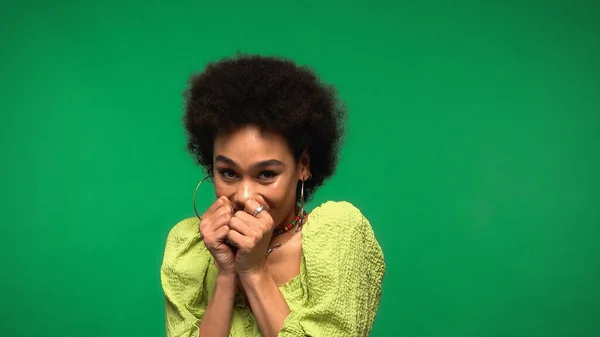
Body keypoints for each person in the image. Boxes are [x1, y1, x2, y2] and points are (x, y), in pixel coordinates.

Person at [160, 54, 385, 337]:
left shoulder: (338, 234)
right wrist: (227, 275)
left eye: (266, 174)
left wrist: (253, 272)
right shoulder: (188, 248)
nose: (243, 195)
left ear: (303, 166)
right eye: (228, 173)